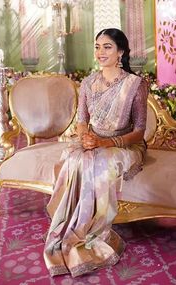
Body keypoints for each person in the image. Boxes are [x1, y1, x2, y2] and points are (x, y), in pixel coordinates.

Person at [43, 28, 148, 277]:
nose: (100, 52)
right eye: (97, 46)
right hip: (94, 141)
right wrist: (86, 137)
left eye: (107, 47)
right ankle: (69, 227)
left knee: (99, 164)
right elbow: (81, 121)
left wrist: (105, 144)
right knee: (73, 159)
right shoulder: (89, 82)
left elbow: (140, 131)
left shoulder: (135, 84)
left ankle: (93, 233)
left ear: (121, 51)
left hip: (124, 145)